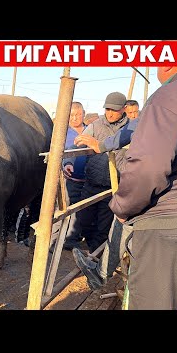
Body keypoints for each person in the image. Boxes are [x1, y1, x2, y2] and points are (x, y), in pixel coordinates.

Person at [107, 65, 177, 310]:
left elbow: (149, 166)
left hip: (169, 225)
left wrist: (122, 206)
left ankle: (101, 271)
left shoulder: (171, 96)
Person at [68, 92, 129, 252]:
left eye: (114, 110)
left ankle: (95, 259)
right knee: (84, 221)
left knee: (104, 227)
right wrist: (80, 143)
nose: (110, 113)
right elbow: (79, 142)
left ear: (123, 109)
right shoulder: (96, 125)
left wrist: (99, 144)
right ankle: (93, 249)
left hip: (113, 187)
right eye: (107, 109)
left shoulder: (130, 129)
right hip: (91, 184)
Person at [61, 102, 88, 250]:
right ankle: (60, 238)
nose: (75, 118)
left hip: (88, 178)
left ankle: (72, 238)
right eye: (71, 115)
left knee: (80, 209)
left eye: (78, 114)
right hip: (67, 178)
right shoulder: (63, 132)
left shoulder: (90, 130)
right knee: (66, 207)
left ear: (84, 113)